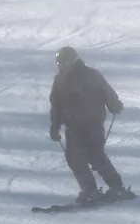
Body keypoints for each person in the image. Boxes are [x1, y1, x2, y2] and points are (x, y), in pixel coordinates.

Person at [49, 46, 127, 203]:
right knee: (74, 158)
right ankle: (89, 190)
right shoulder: (59, 80)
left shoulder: (91, 75)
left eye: (64, 62)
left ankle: (116, 187)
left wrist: (114, 105)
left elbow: (106, 91)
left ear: (73, 60)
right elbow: (56, 105)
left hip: (93, 122)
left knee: (95, 155)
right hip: (73, 125)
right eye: (59, 62)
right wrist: (55, 127)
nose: (61, 65)